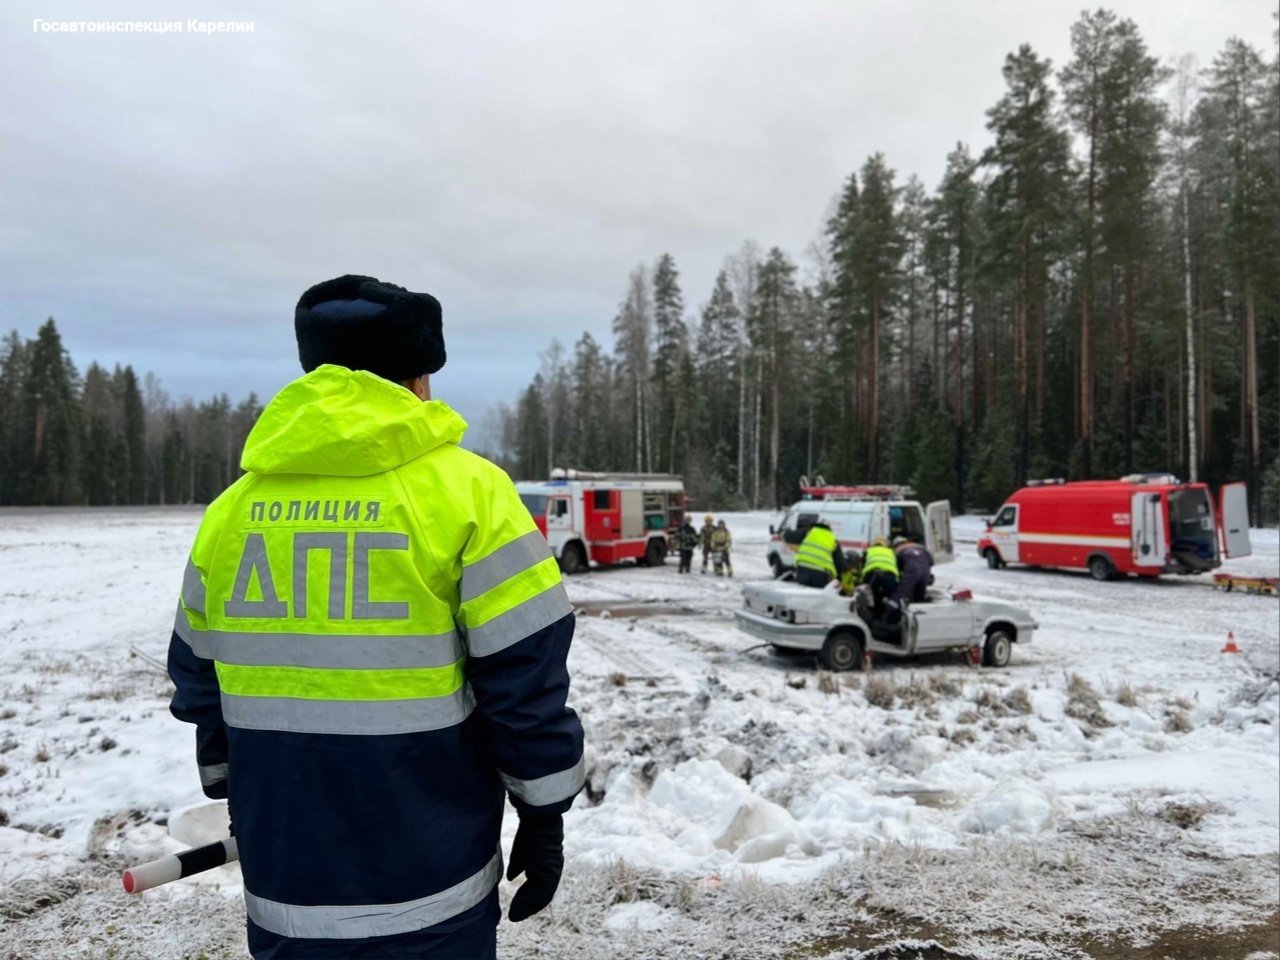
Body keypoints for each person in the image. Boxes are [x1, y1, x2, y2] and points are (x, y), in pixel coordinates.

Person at [167, 275, 585, 960]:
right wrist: (544, 815)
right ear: (417, 379)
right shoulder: (471, 494)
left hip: (286, 891)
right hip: (432, 891)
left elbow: (197, 680)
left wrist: (237, 787)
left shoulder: (232, 512)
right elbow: (526, 679)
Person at [794, 519, 847, 589]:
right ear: (829, 529)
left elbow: (792, 536)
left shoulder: (809, 532)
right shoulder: (833, 540)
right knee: (817, 595)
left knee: (802, 592)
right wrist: (839, 576)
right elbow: (839, 562)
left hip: (802, 568)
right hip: (820, 572)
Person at [859, 536, 900, 621]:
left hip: (872, 575)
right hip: (889, 576)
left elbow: (862, 566)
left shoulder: (868, 551)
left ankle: (872, 618)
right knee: (891, 597)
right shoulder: (891, 552)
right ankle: (890, 619)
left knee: (871, 598)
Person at [892, 535, 935, 606]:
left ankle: (889, 613)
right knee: (920, 596)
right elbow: (931, 561)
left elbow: (897, 567)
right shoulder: (921, 547)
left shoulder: (898, 550)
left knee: (900, 594)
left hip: (911, 572)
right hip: (925, 572)